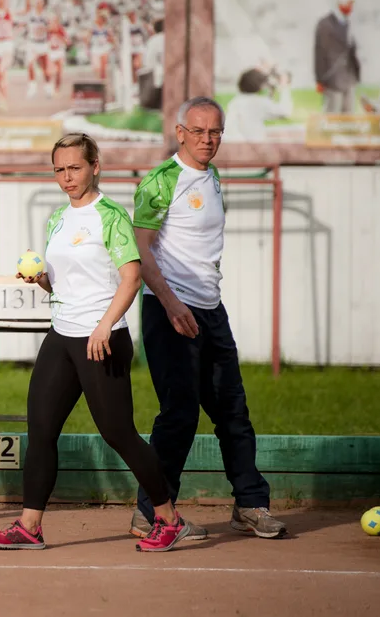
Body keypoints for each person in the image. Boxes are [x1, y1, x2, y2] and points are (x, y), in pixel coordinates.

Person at [0, 133, 192, 553]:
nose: (66, 177)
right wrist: (39, 278)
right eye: (59, 169)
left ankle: (170, 519)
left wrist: (104, 326)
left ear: (95, 166)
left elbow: (131, 277)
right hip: (61, 336)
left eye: (74, 168)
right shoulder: (58, 218)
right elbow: (61, 282)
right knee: (40, 431)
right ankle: (29, 526)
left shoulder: (110, 215)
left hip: (102, 340)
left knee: (119, 434)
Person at [129, 96, 287, 540]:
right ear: (180, 132)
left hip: (211, 311)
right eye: (198, 131)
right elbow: (140, 251)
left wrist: (202, 303)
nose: (208, 140)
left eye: (215, 131)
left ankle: (251, 504)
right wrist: (171, 302)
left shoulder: (213, 176)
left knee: (233, 411)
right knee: (179, 414)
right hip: (169, 311)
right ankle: (152, 511)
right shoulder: (160, 182)